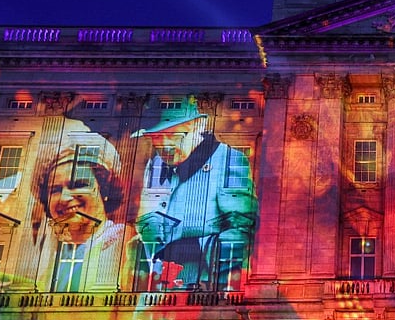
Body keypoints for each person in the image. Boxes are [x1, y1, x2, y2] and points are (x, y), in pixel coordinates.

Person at [132, 99, 257, 292]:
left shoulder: (230, 159)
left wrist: (223, 290)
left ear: (199, 125)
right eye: (156, 136)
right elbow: (146, 221)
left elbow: (241, 231)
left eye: (174, 134)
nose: (163, 145)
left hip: (200, 294)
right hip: (158, 292)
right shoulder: (156, 164)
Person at [35, 128, 134, 292]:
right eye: (55, 190)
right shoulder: (48, 253)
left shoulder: (125, 244)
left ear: (104, 191)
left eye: (79, 185)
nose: (65, 198)